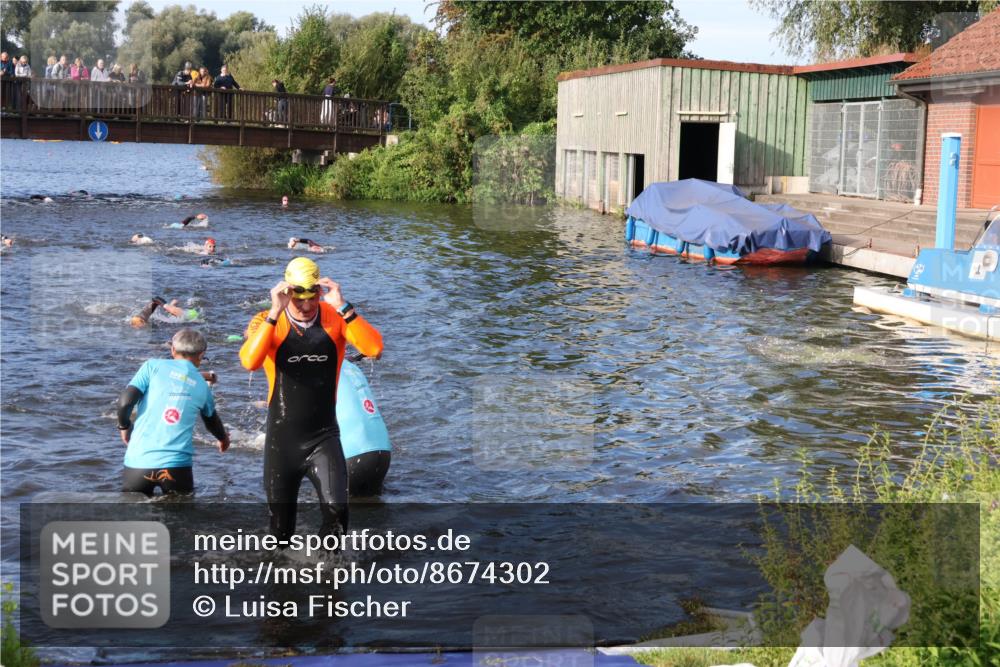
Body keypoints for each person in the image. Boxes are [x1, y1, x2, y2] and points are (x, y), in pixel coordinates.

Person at [239, 257, 383, 540]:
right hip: (282, 443)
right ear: (286, 292)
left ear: (320, 291)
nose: (306, 307)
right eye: (298, 300)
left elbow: (374, 348)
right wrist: (274, 312)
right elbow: (249, 362)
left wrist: (343, 306)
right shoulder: (266, 320)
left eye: (312, 299)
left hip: (324, 437)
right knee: (280, 531)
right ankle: (281, 580)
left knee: (338, 512)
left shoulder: (336, 317)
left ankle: (329, 574)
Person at [117, 328, 229, 496]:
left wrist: (124, 426)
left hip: (138, 463)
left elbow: (125, 401)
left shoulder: (151, 366)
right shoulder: (201, 385)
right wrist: (223, 439)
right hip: (177, 468)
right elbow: (211, 419)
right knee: (180, 520)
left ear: (173, 350)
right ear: (201, 354)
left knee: (134, 518)